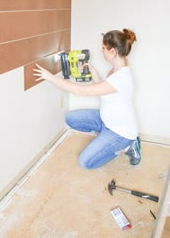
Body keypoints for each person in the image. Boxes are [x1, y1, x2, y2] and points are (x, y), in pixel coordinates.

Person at [33, 28, 141, 169]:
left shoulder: (121, 78)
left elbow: (80, 91)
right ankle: (104, 136)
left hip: (120, 132)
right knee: (70, 118)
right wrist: (93, 72)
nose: (101, 51)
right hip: (106, 121)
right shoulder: (116, 68)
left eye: (103, 48)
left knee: (85, 162)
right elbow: (104, 90)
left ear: (112, 51)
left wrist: (50, 77)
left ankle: (128, 147)